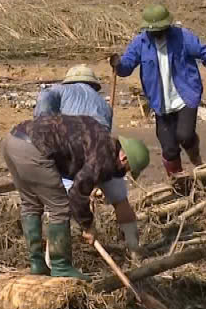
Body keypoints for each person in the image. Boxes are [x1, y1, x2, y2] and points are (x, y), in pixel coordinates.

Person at [2, 114, 150, 279]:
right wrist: (88, 226)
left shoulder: (100, 135)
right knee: (60, 207)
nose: (123, 173)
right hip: (35, 149)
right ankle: (61, 266)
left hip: (12, 140)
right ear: (123, 158)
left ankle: (37, 264)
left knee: (31, 204)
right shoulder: (104, 157)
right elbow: (77, 194)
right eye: (127, 169)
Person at [112, 4, 206, 177]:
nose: (157, 33)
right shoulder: (140, 43)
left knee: (185, 135)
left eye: (161, 29)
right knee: (169, 148)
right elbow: (126, 68)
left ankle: (196, 158)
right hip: (160, 102)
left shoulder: (182, 37)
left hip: (185, 96)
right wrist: (117, 64)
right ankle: (178, 182)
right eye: (154, 31)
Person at [35, 64, 142, 254]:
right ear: (93, 85)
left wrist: (43, 121)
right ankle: (134, 248)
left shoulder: (61, 90)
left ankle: (55, 259)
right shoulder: (105, 106)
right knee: (120, 201)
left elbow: (45, 96)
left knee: (60, 206)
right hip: (105, 158)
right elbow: (103, 145)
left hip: (72, 157)